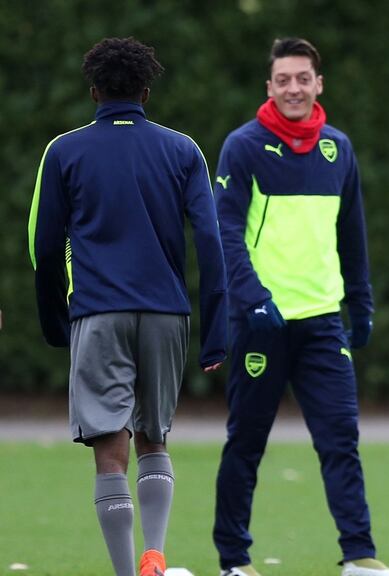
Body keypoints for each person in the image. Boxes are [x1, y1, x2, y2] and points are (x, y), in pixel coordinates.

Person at [29, 37, 228, 576]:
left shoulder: (64, 150)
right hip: (166, 313)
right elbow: (210, 244)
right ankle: (156, 554)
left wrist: (54, 320)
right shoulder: (182, 150)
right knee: (153, 436)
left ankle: (125, 573)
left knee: (109, 450)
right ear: (145, 91)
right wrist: (217, 328)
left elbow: (45, 246)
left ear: (93, 91)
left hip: (97, 313)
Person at [211, 37, 389, 576]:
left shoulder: (337, 148)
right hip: (261, 322)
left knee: (340, 441)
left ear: (319, 84)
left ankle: (360, 557)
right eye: (283, 80)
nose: (294, 88)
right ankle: (234, 561)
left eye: (303, 78)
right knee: (246, 442)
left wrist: (361, 305)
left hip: (323, 321)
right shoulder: (244, 146)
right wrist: (251, 299)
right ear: (269, 87)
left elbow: (352, 233)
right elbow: (225, 230)